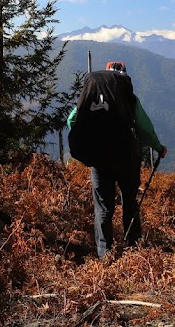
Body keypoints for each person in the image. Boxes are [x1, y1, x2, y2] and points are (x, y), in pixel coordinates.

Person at [67, 61, 167, 259]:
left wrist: (89, 143)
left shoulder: (91, 94)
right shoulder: (129, 98)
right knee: (129, 201)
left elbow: (72, 120)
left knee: (103, 208)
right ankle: (132, 247)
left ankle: (105, 255)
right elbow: (144, 128)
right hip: (126, 159)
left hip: (98, 160)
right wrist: (158, 147)